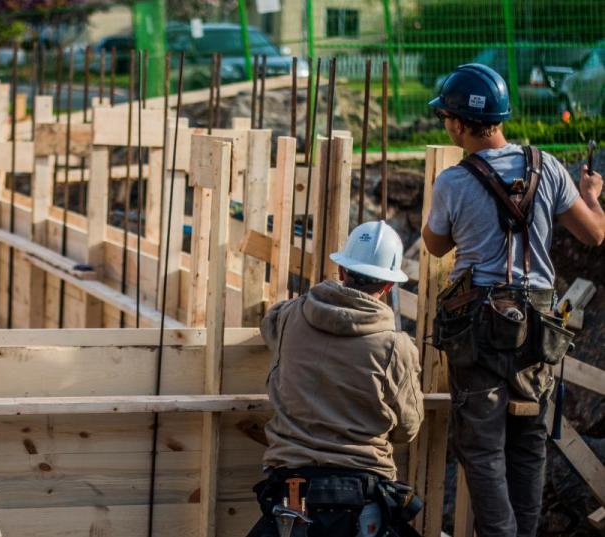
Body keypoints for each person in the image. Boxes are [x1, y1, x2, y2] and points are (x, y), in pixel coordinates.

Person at [423, 63, 605, 537]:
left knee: (481, 445)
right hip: (538, 322)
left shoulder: (453, 182)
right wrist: (592, 195)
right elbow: (594, 233)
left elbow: (436, 245)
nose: (446, 124)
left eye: (447, 117)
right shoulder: (548, 169)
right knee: (529, 440)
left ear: (461, 124)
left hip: (477, 324)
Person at [247, 220, 424, 537]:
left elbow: (268, 323)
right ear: (389, 287)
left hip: (291, 489)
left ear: (341, 272)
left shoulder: (290, 316)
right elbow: (407, 429)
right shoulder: (395, 348)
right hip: (362, 495)